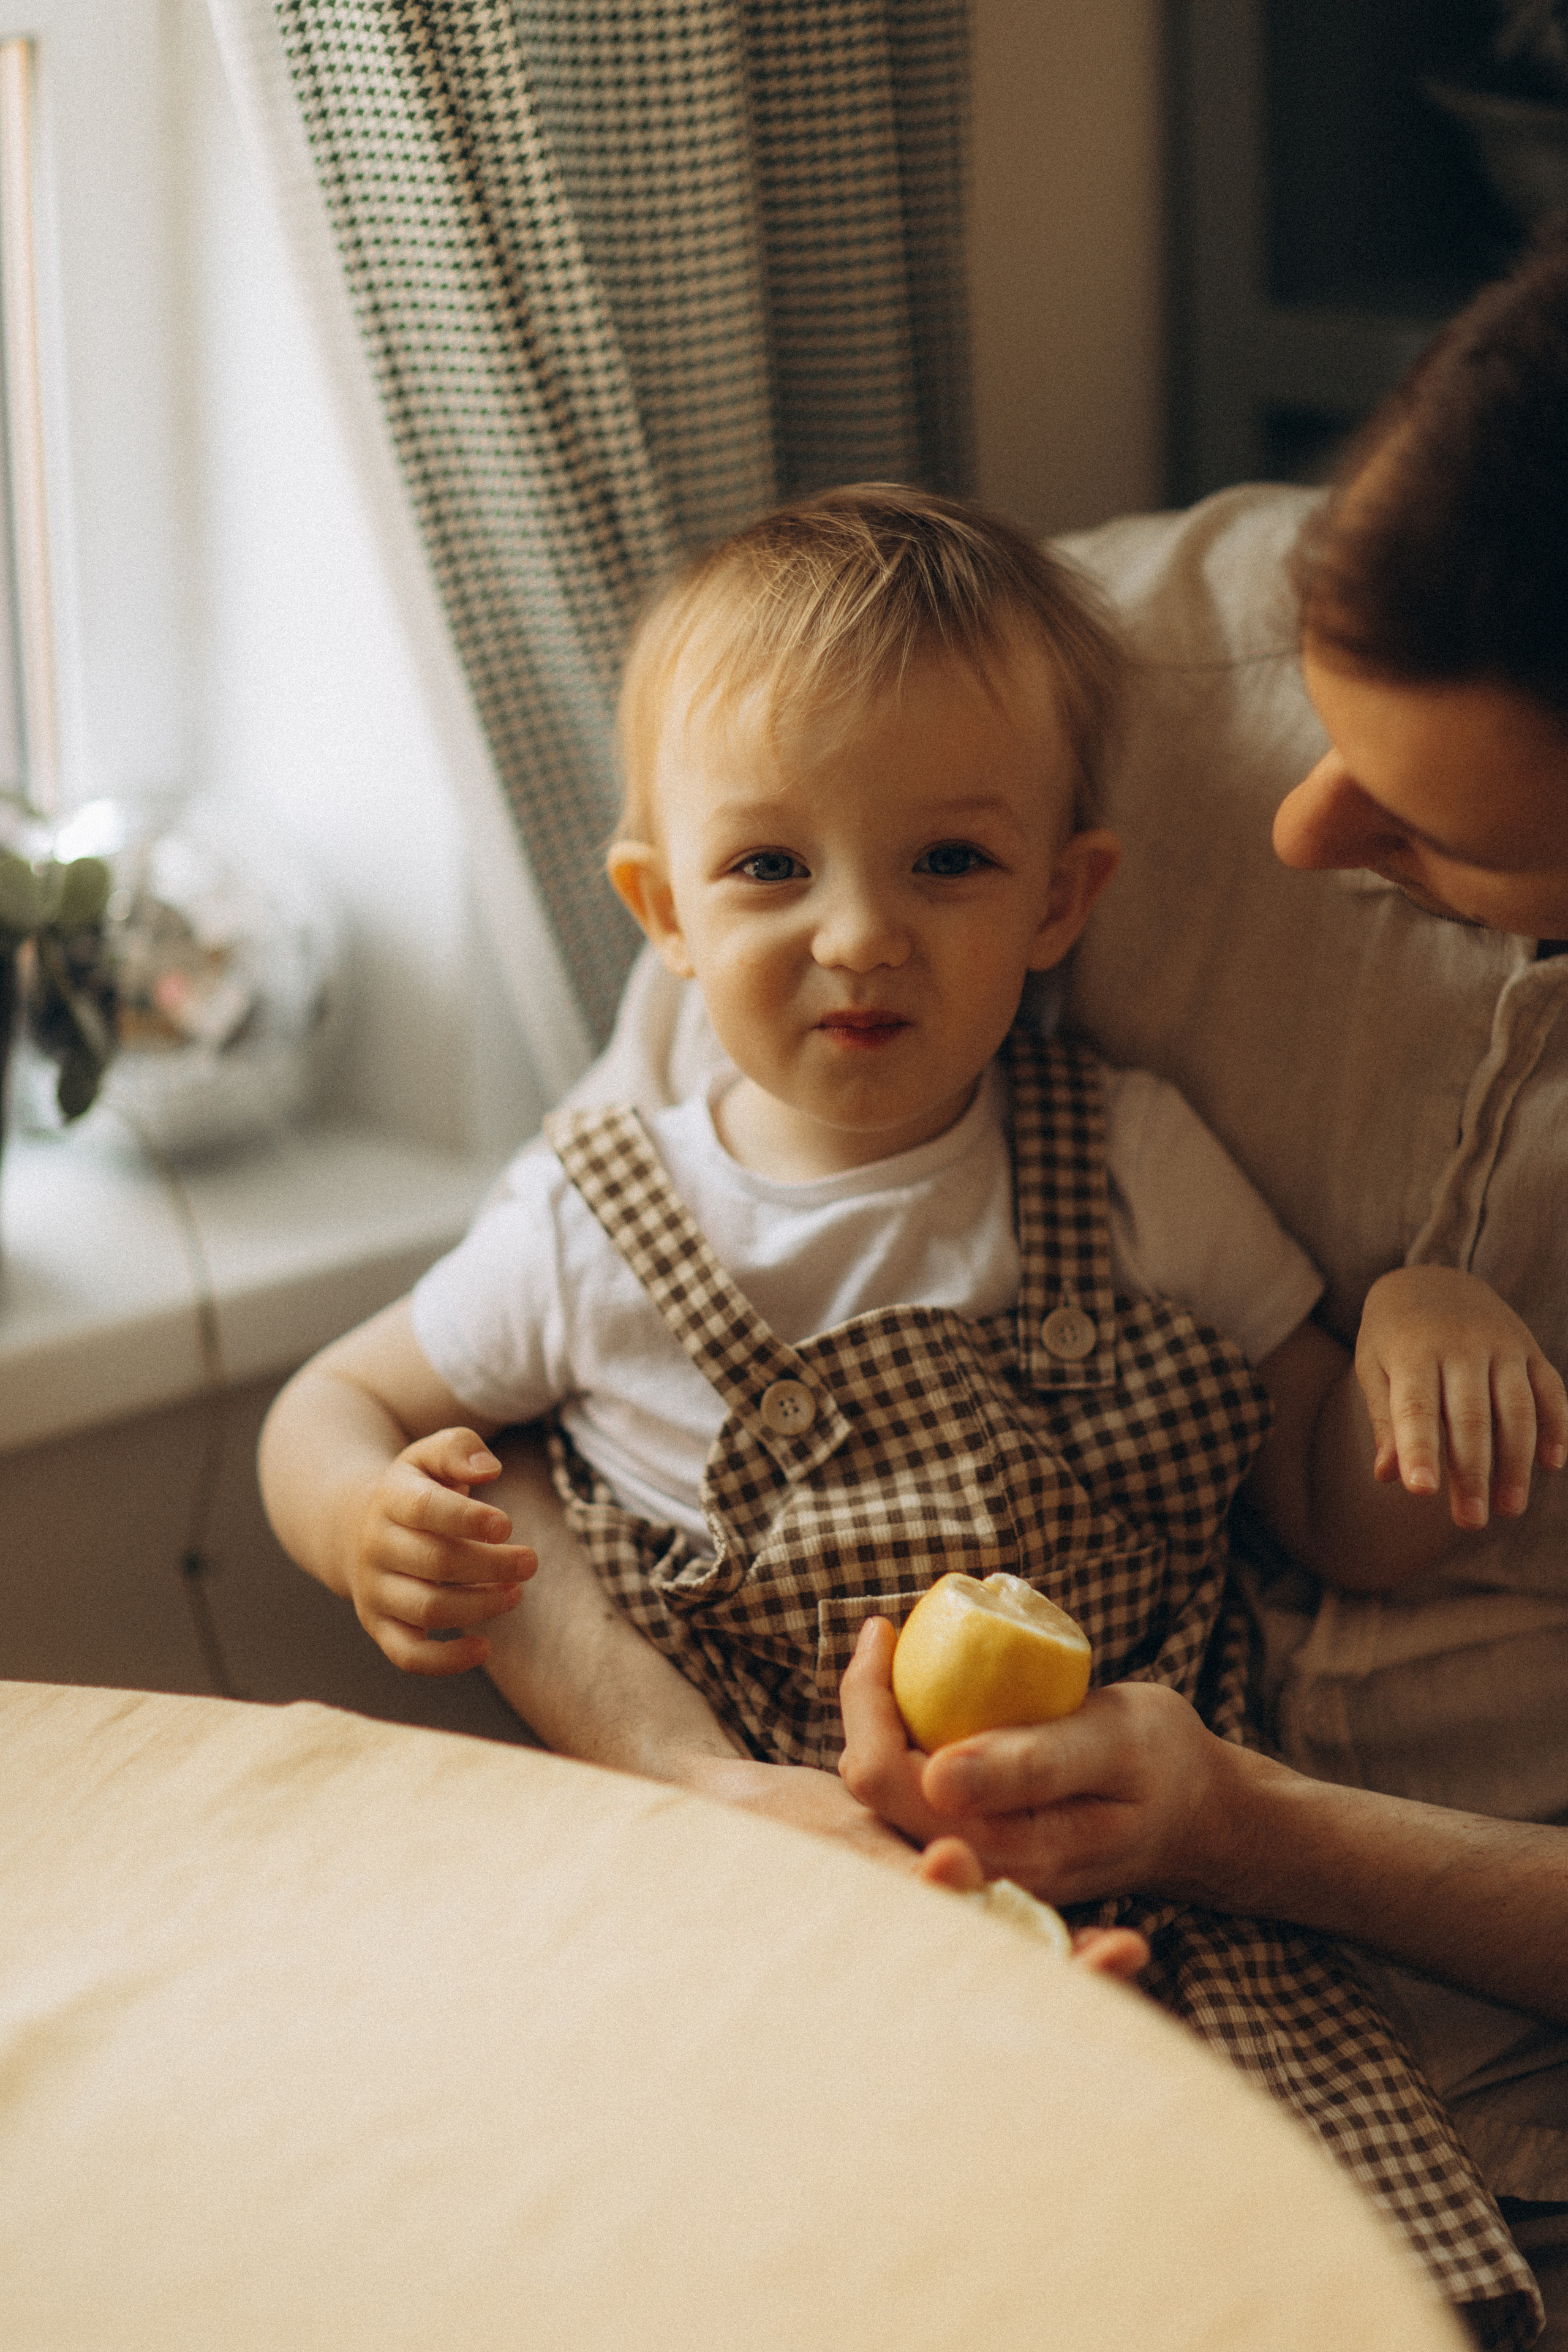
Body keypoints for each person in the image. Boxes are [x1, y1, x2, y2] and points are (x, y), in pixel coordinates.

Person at [261, 486, 1561, 2334]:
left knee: (1271, 2283)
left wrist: (1430, 1340)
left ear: (1063, 897)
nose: (860, 935)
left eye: (945, 863)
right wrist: (355, 1521)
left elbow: (1326, 1502)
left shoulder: (1126, 1161)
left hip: (1159, 1906)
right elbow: (334, 1401)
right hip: (753, 1897)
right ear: (664, 909)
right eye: (772, 869)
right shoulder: (595, 1211)